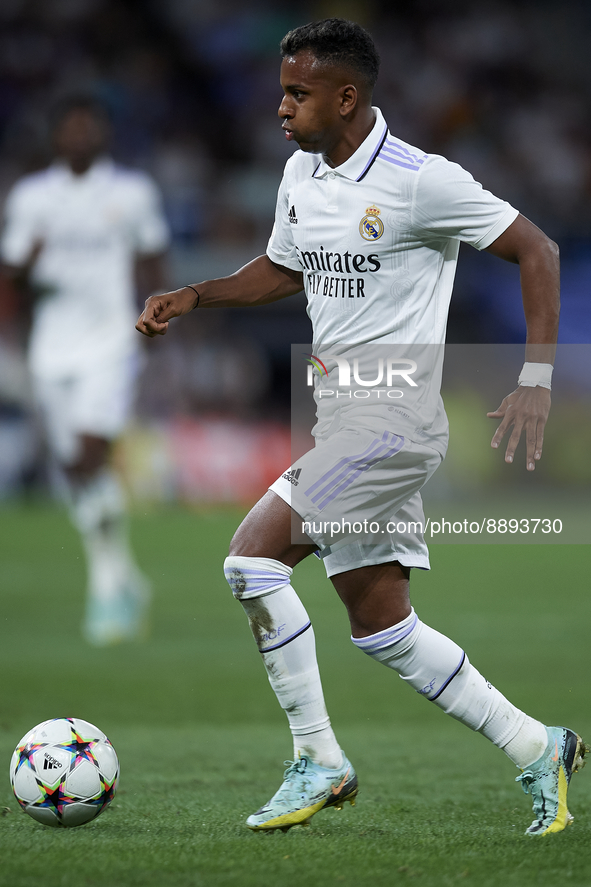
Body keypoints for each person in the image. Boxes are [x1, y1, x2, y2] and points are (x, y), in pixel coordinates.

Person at [136, 19, 586, 836]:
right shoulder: (301, 174)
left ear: (345, 97)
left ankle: (319, 758)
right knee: (384, 626)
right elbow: (282, 265)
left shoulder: (422, 180)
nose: (280, 107)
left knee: (249, 561)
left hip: (391, 422)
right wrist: (196, 294)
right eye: (281, 90)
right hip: (339, 421)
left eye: (296, 93)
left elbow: (538, 250)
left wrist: (534, 377)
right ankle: (538, 744)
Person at [1, 96, 170, 645]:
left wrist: (154, 324)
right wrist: (27, 267)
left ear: (102, 135)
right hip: (52, 348)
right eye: (69, 128)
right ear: (55, 137)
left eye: (88, 127)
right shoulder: (32, 197)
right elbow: (15, 276)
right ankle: (123, 574)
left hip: (111, 343)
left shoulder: (132, 193)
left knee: (92, 452)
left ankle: (104, 592)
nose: (79, 136)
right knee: (76, 468)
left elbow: (153, 260)